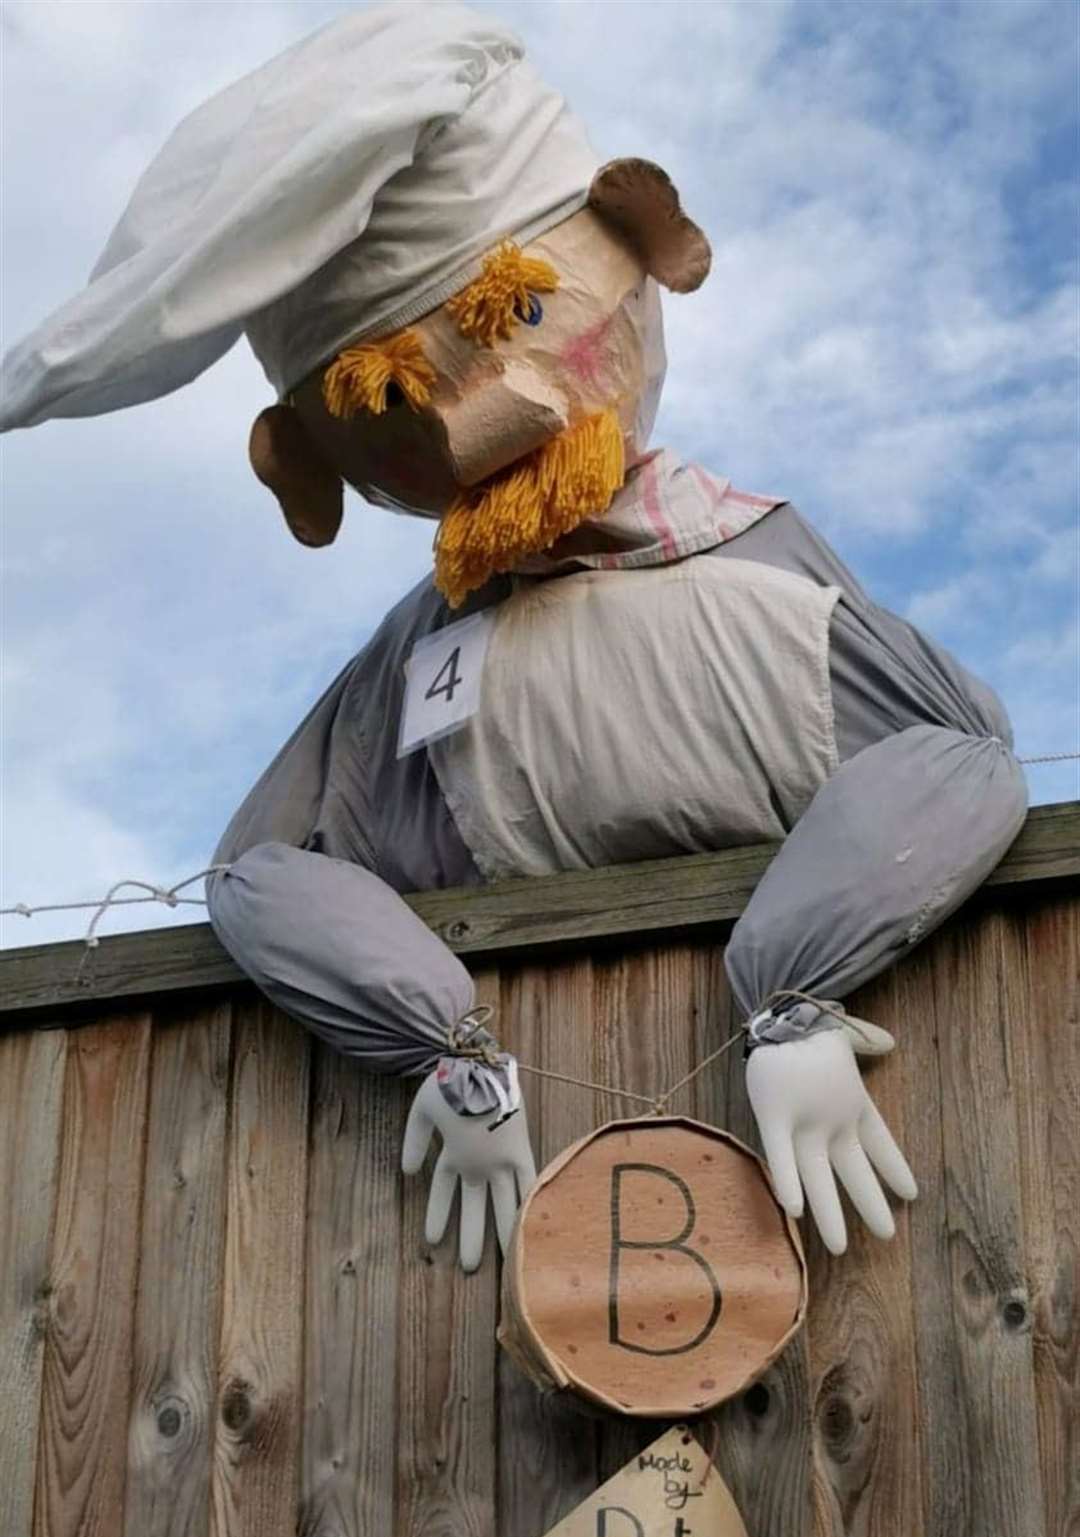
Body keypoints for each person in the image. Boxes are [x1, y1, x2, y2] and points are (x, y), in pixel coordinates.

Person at [1, 6, 1026, 1268]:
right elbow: (261, 874)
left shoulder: (761, 565)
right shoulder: (403, 674)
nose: (483, 424)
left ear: (643, 239)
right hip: (471, 1243)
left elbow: (962, 751)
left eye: (515, 315)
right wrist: (441, 1038)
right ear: (307, 466)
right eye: (397, 403)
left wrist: (797, 980)